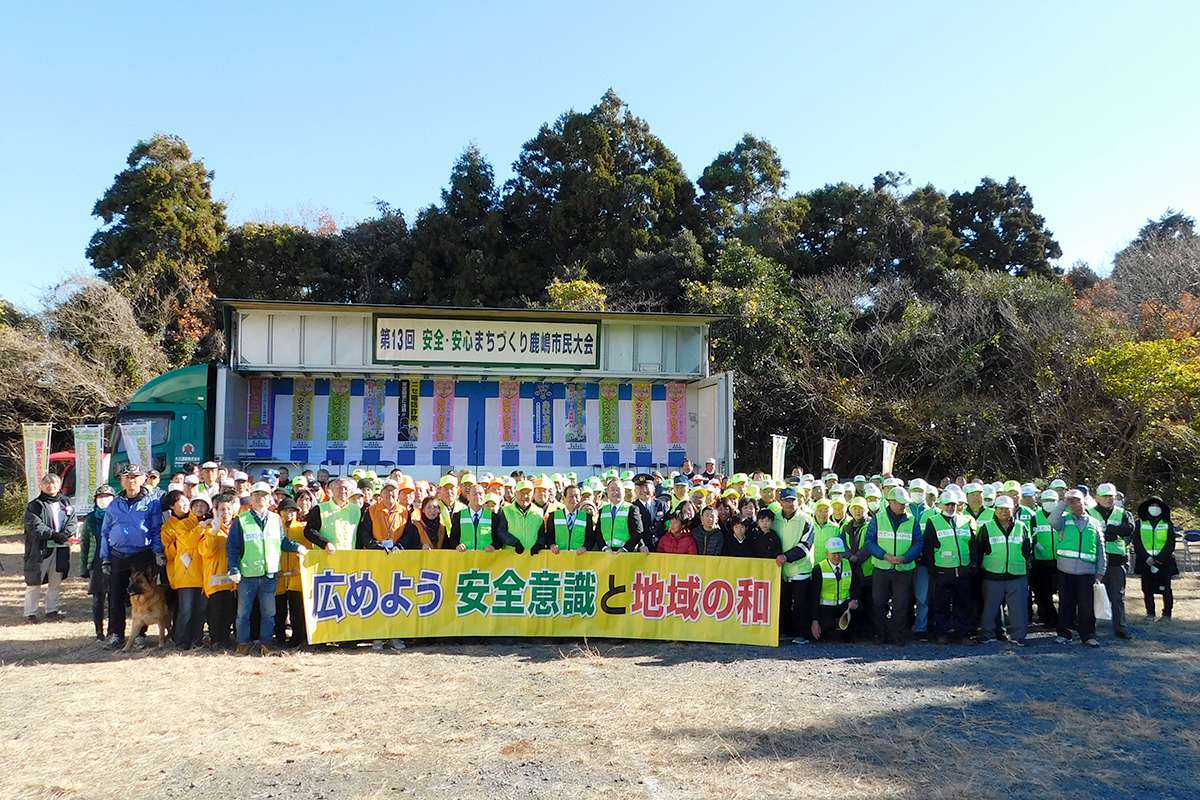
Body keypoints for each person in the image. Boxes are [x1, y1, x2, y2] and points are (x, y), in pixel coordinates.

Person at [227, 482, 307, 656]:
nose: (260, 498)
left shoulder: (275, 519)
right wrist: (233, 569)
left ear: (269, 498)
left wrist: (296, 547)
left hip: (269, 574)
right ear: (251, 498)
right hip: (247, 575)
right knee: (243, 613)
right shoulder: (241, 520)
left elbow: (282, 541)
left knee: (269, 613)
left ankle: (266, 643)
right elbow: (232, 547)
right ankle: (243, 643)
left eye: (264, 495)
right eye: (256, 495)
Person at [100, 465, 164, 650]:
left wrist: (158, 551)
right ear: (122, 481)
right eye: (127, 477)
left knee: (143, 593)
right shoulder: (115, 503)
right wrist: (105, 557)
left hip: (141, 554)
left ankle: (140, 635)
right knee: (116, 596)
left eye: (135, 477)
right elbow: (105, 531)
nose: (131, 480)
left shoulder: (152, 502)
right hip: (118, 554)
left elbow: (156, 528)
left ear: (143, 478)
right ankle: (116, 635)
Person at [864, 487, 922, 646]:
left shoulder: (912, 520)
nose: (904, 506)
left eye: (905, 503)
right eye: (901, 503)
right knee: (879, 602)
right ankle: (880, 634)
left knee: (901, 605)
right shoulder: (878, 518)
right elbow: (869, 541)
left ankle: (898, 634)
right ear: (891, 502)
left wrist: (905, 558)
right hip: (882, 568)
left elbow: (918, 543)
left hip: (904, 569)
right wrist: (884, 555)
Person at [1050, 489, 1107, 647]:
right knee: (1065, 604)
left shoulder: (1094, 523)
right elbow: (1052, 521)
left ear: (1084, 502)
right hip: (1065, 571)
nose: (1075, 505)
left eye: (1078, 501)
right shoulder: (1064, 520)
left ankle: (1088, 635)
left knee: (1086, 605)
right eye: (1071, 502)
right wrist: (1063, 503)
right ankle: (1064, 634)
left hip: (1087, 572)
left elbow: (1101, 549)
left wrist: (1100, 571)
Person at [924, 489, 977, 646]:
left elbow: (972, 543)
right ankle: (942, 634)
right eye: (947, 504)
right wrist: (932, 569)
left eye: (953, 504)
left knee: (963, 603)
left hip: (963, 570)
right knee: (942, 604)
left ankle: (963, 634)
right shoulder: (933, 521)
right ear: (941, 505)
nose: (950, 507)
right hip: (943, 570)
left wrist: (973, 563)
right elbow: (927, 547)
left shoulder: (964, 521)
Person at [977, 497, 1032, 646]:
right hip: (993, 574)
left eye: (1007, 508)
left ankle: (1018, 636)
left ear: (1013, 510)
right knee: (990, 608)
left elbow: (1027, 550)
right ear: (995, 510)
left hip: (1017, 575)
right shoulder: (987, 527)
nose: (1004, 511)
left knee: (1018, 609)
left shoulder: (1022, 527)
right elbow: (979, 549)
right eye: (1000, 508)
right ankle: (988, 634)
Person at [23, 473, 76, 623]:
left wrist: (65, 534)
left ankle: (52, 609)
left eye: (53, 483)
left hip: (60, 549)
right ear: (41, 486)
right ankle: (31, 613)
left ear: (59, 486)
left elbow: (72, 521)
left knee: (56, 581)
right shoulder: (35, 505)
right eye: (47, 483)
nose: (50, 486)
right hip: (39, 550)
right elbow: (35, 525)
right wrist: (54, 535)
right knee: (34, 582)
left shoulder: (66, 503)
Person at [161, 491, 208, 650]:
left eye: (203, 505)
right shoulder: (183, 524)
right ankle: (181, 641)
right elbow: (188, 543)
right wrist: (200, 529)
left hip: (204, 574)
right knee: (185, 609)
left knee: (201, 610)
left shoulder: (211, 523)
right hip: (186, 573)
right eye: (196, 505)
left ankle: (197, 639)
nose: (199, 508)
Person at [1090, 483, 1134, 640]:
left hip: (1117, 560)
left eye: (1111, 496)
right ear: (1097, 497)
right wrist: (1113, 533)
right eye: (1105, 496)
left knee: (1117, 596)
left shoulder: (1123, 513)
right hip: (1094, 560)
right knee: (1091, 595)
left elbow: (1129, 528)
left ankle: (1120, 627)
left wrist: (1106, 531)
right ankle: (1089, 627)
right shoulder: (1089, 512)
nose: (1108, 499)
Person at [774, 488, 815, 644]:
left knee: (800, 604)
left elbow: (805, 546)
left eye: (792, 500)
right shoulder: (775, 517)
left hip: (800, 569)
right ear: (780, 502)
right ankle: (785, 630)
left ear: (798, 501)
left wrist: (786, 557)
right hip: (781, 569)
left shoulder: (806, 520)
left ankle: (802, 634)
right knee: (783, 602)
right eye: (785, 501)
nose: (788, 504)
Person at [200, 493, 239, 651]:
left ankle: (226, 638)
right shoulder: (209, 529)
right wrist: (214, 532)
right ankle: (216, 639)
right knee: (216, 611)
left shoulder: (236, 527)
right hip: (215, 578)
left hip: (231, 579)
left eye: (228, 509)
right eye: (222, 509)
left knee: (230, 610)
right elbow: (206, 551)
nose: (226, 512)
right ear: (215, 511)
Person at [1132, 495, 1178, 620]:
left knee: (1166, 589)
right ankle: (1150, 613)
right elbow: (1136, 542)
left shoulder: (1167, 523)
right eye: (1152, 506)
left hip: (1164, 562)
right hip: (1145, 561)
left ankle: (1167, 613)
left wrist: (1159, 560)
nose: (1154, 508)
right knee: (1147, 589)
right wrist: (1147, 558)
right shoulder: (1140, 523)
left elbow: (1170, 543)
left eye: (1157, 506)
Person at [275, 495, 311, 648]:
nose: (288, 514)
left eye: (291, 511)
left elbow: (308, 550)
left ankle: (298, 637)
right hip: (279, 575)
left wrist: (299, 568)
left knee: (297, 610)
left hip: (297, 575)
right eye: (285, 511)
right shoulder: (275, 528)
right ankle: (279, 637)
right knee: (279, 610)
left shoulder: (302, 528)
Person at [79, 485, 115, 639]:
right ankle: (99, 631)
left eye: (107, 497)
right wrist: (83, 568)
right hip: (96, 561)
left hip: (116, 559)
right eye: (100, 497)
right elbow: (85, 543)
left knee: (114, 597)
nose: (103, 500)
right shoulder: (91, 518)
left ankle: (113, 630)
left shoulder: (118, 515)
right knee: (98, 597)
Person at [809, 537, 858, 643]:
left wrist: (855, 600)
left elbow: (856, 586)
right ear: (827, 553)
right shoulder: (819, 569)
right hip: (826, 608)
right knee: (824, 630)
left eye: (840, 553)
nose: (837, 556)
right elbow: (814, 597)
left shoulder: (850, 565)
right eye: (834, 553)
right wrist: (815, 621)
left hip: (845, 607)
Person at [449, 482, 515, 551]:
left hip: (486, 558)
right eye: (474, 494)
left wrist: (493, 546)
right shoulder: (459, 516)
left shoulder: (493, 517)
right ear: (468, 496)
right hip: (465, 558)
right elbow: (452, 539)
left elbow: (499, 539)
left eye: (480, 494)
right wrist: (457, 545)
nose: (478, 497)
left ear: (484, 496)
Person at [304, 476, 361, 553]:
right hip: (326, 556)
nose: (343, 491)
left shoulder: (356, 509)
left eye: (346, 488)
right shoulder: (320, 508)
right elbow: (309, 531)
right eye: (340, 488)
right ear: (332, 490)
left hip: (349, 557)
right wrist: (325, 543)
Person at [1029, 489, 1060, 627]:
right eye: (1046, 501)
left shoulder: (1064, 516)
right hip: (1041, 560)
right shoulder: (1035, 517)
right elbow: (1030, 536)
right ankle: (1048, 617)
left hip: (1061, 560)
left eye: (1052, 501)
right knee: (1043, 591)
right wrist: (1036, 546)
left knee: (1063, 591)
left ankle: (1065, 618)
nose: (1049, 503)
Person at [357, 480, 417, 551]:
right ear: (381, 494)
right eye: (387, 490)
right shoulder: (371, 511)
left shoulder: (405, 512)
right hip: (376, 554)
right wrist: (376, 545)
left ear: (398, 494)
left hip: (398, 554)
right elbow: (365, 534)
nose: (390, 493)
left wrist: (399, 546)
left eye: (393, 490)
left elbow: (409, 534)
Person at [542, 484, 597, 554]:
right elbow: (549, 536)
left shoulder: (586, 517)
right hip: (559, 557)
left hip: (578, 558)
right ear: (564, 498)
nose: (574, 499)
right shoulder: (554, 516)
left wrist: (585, 547)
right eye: (571, 496)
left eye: (577, 496)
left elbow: (591, 538)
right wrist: (552, 545)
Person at [597, 479, 647, 553]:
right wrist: (604, 547)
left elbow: (638, 532)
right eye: (612, 489)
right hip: (607, 554)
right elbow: (598, 533)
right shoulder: (603, 510)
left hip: (626, 554)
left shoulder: (631, 509)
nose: (615, 492)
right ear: (608, 492)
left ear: (624, 492)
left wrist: (625, 549)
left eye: (618, 489)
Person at [502, 480, 545, 553]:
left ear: (532, 495)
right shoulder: (506, 511)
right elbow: (501, 532)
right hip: (511, 556)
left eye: (528, 494)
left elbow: (542, 534)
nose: (525, 496)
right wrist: (514, 543)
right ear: (516, 494)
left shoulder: (539, 512)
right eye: (522, 493)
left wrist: (539, 544)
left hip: (532, 557)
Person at [630, 473, 668, 551]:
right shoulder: (632, 508)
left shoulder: (661, 505)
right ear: (635, 491)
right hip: (641, 551)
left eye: (646, 487)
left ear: (653, 490)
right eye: (640, 487)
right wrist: (641, 545)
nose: (644, 490)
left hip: (661, 549)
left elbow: (667, 527)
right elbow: (632, 531)